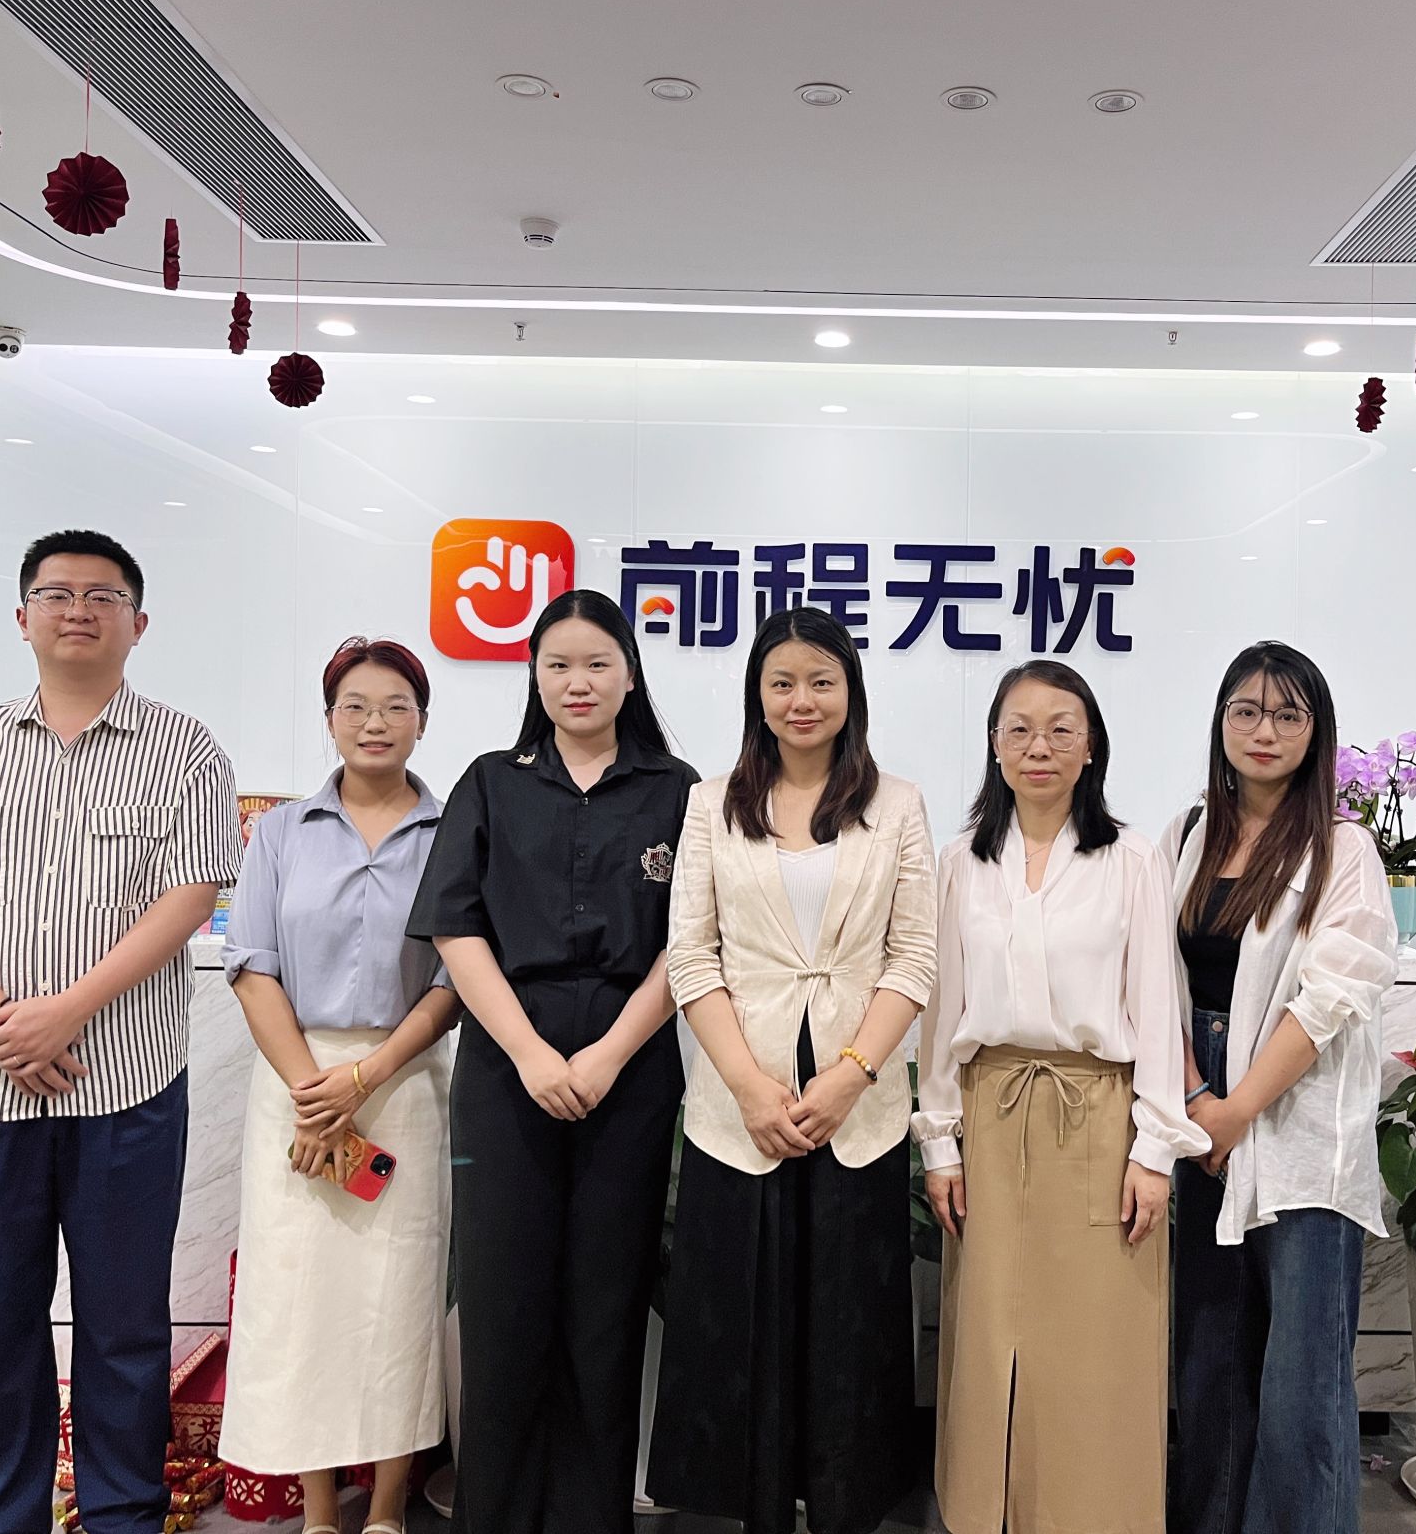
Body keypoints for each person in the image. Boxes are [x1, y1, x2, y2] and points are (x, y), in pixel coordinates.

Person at [0, 530, 240, 1534]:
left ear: (138, 622)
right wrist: (1, 1017)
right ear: (23, 616)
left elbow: (188, 895)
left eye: (102, 595)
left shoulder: (185, 749)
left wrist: (66, 1010)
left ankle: (122, 1513)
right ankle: (3, 1516)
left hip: (127, 1084)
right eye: (57, 592)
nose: (78, 609)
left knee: (124, 1322)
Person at [406, 590, 697, 1534]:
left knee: (606, 1310)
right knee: (502, 1305)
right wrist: (531, 1053)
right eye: (558, 664)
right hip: (506, 1069)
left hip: (632, 1067)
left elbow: (692, 941)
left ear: (630, 675)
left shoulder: (678, 789)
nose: (578, 681)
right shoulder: (492, 781)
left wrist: (608, 1054)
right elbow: (455, 928)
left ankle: (590, 1517)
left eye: (598, 663)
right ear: (534, 676)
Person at [649, 606, 936, 1534]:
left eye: (821, 680)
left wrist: (851, 1074)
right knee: (746, 1319)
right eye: (782, 682)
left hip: (856, 1104)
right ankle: (761, 1510)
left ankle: (847, 1506)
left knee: (851, 1322)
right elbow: (692, 957)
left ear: (851, 690)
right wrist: (746, 1084)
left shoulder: (897, 803)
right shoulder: (711, 802)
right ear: (758, 696)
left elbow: (913, 957)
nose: (801, 699)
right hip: (744, 1104)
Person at [916, 659, 1209, 1534]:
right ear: (994, 746)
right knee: (989, 1331)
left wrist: (1154, 1150)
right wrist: (939, 1142)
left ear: (1091, 748)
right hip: (990, 1108)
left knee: (1096, 1340)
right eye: (1019, 729)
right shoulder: (961, 862)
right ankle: (985, 1514)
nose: (1038, 746)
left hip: (1099, 1115)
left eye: (1060, 729)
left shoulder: (1132, 859)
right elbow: (940, 1010)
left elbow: (1158, 1007)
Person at [218, 638, 460, 1534]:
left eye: (396, 706)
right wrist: (312, 1090)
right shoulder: (281, 832)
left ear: (422, 721)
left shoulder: (453, 832)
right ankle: (321, 1508)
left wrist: (365, 1076)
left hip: (403, 1082)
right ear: (329, 719)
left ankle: (387, 1507)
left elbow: (454, 980)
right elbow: (251, 965)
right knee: (301, 1300)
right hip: (295, 1087)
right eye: (355, 705)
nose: (374, 722)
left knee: (396, 1301)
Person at [1164, 642, 1398, 1534]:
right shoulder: (1187, 836)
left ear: (1316, 731)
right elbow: (1154, 980)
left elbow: (1331, 996)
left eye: (1288, 713)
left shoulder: (1344, 847)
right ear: (1221, 722)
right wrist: (1198, 1099)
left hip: (1296, 1120)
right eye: (1247, 710)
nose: (1264, 730)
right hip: (1198, 1114)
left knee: (1301, 1376)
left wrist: (1236, 1107)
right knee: (1210, 1355)